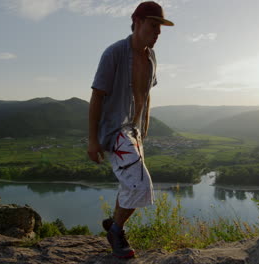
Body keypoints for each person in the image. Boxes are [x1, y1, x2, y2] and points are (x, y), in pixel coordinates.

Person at [87, 1, 174, 259]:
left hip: (134, 132)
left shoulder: (151, 57)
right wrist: (92, 140)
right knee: (140, 185)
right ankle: (115, 229)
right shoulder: (113, 53)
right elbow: (97, 97)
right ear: (137, 22)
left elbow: (146, 94)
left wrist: (144, 124)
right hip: (115, 131)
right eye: (153, 25)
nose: (158, 32)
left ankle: (113, 224)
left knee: (129, 182)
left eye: (160, 27)